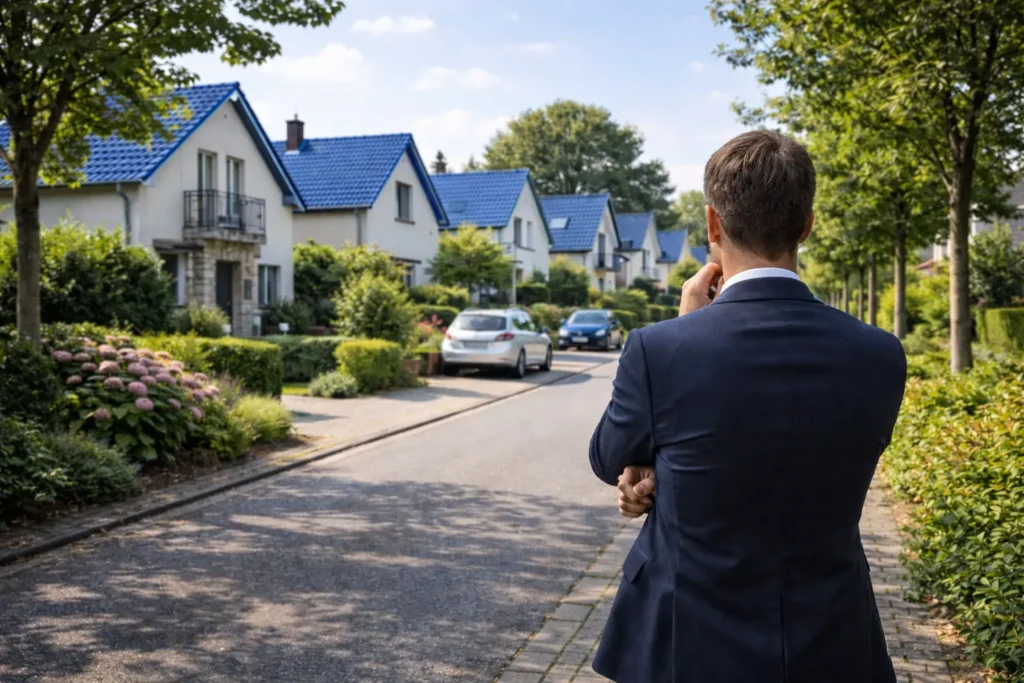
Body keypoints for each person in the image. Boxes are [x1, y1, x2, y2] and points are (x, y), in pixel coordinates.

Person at [588, 130, 906, 683]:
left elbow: (609, 456)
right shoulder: (880, 355)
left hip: (684, 642)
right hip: (833, 640)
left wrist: (685, 330)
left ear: (713, 225)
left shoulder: (659, 349)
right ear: (807, 225)